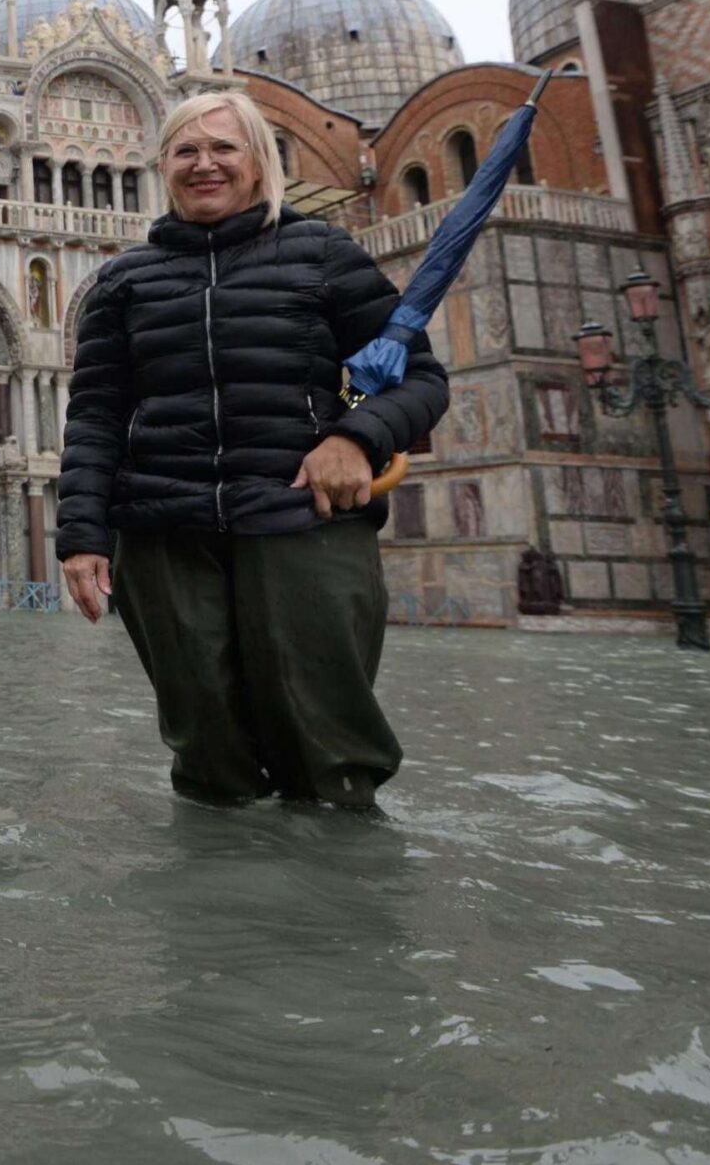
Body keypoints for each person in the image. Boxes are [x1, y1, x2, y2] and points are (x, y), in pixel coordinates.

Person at [57, 90, 446, 810]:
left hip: (300, 518)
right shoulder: (125, 281)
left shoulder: (323, 254)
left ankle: (344, 906)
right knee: (206, 756)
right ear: (163, 167)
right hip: (166, 531)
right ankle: (220, 913)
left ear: (259, 161)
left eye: (224, 148)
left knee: (329, 748)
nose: (205, 165)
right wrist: (81, 536)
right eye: (186, 151)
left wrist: (354, 438)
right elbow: (96, 414)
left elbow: (418, 380)